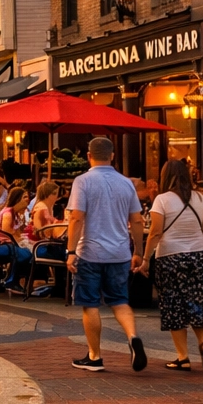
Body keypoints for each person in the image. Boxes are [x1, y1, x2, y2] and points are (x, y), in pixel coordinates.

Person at [65, 136, 146, 372]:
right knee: (120, 301)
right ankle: (133, 337)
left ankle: (94, 356)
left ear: (88, 156)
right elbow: (137, 220)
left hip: (90, 251)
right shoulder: (126, 183)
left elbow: (77, 216)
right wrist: (138, 251)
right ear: (112, 156)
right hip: (120, 252)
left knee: (89, 304)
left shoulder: (83, 181)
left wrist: (71, 251)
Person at [138, 159, 203, 369]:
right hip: (198, 255)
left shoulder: (162, 200)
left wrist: (146, 259)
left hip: (170, 256)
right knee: (196, 299)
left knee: (173, 304)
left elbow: (155, 232)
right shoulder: (200, 197)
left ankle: (182, 357)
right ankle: (202, 343)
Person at [0, 186, 34, 290]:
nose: (27, 200)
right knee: (27, 254)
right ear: (17, 198)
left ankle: (12, 278)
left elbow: (19, 232)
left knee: (27, 252)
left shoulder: (15, 213)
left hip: (5, 244)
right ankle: (12, 280)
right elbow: (8, 232)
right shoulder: (8, 214)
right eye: (24, 197)